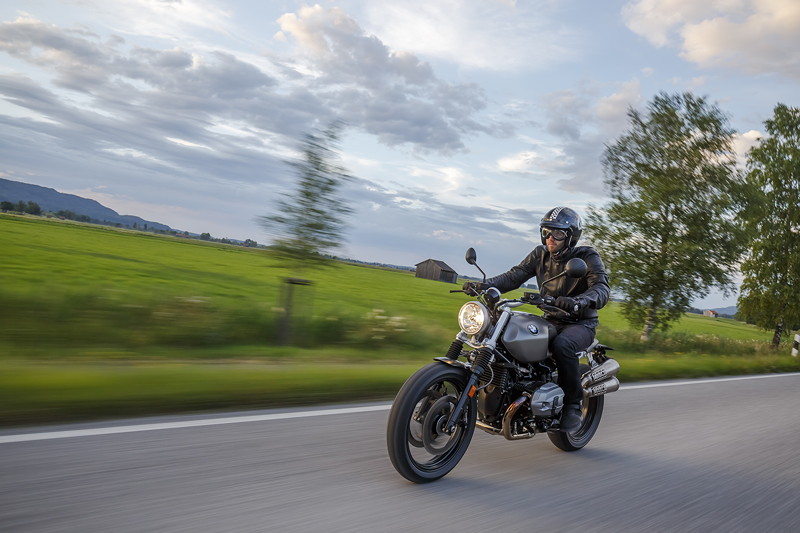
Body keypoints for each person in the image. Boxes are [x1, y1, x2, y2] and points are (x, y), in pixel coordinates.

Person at [464, 207, 610, 432]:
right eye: (547, 232)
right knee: (506, 336)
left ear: (571, 236)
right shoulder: (539, 254)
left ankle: (571, 405)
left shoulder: (586, 257)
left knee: (562, 345)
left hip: (580, 323)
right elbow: (514, 276)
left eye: (558, 234)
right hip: (550, 319)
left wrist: (579, 301)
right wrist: (483, 285)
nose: (550, 238)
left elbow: (601, 288)